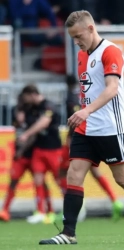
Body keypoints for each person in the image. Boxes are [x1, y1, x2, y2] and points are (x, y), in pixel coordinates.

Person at [39, 10, 124, 245]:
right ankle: (68, 233)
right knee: (74, 174)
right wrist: (83, 114)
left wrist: (85, 110)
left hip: (109, 127)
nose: (76, 41)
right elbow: (90, 89)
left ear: (90, 28)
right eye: (72, 38)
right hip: (86, 128)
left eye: (78, 36)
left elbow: (112, 88)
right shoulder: (81, 55)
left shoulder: (110, 51)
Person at [59, 75, 124, 222]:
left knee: (65, 173)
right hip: (96, 132)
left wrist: (70, 140)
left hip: (80, 137)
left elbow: (74, 118)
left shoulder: (70, 97)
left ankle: (75, 207)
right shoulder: (88, 93)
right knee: (95, 171)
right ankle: (115, 200)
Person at [0, 94, 54, 222]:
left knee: (41, 182)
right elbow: (17, 137)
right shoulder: (17, 119)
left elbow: (33, 136)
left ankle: (48, 210)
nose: (19, 116)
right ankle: (5, 210)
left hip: (33, 155)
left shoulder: (32, 117)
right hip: (21, 158)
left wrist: (22, 149)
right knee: (13, 182)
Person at [18, 85, 62, 224]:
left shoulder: (49, 106)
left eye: (26, 98)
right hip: (38, 149)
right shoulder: (32, 109)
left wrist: (26, 134)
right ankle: (40, 211)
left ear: (32, 94)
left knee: (59, 180)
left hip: (53, 149)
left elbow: (43, 123)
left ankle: (74, 207)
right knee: (38, 180)